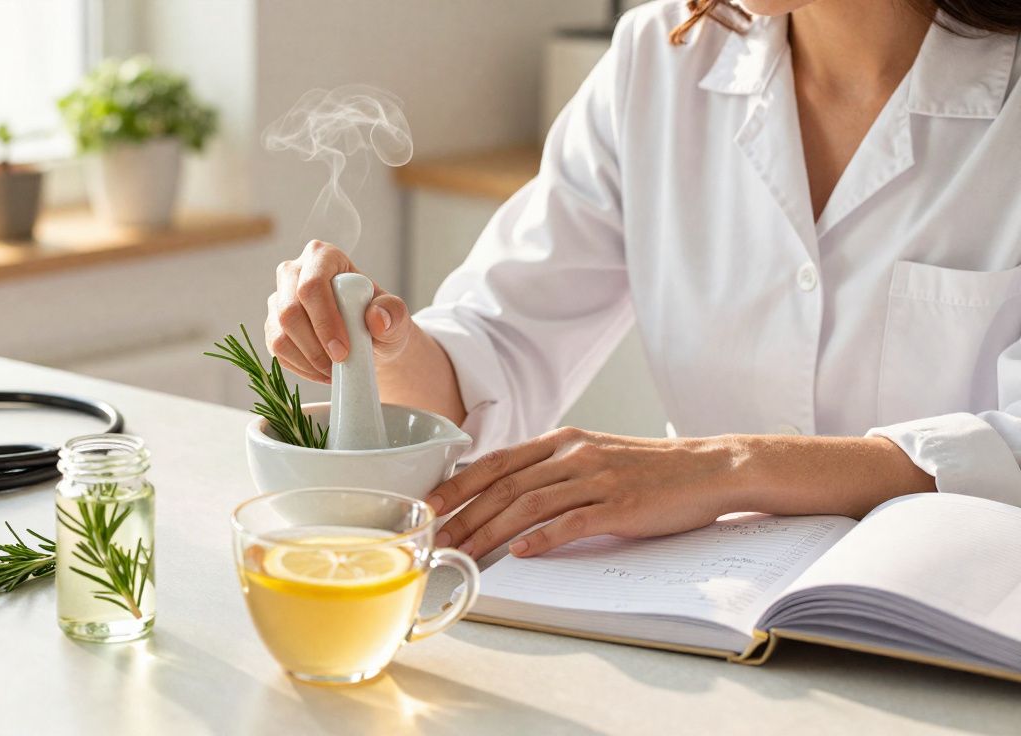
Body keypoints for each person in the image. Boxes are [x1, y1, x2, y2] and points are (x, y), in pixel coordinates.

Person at [264, 0, 1021, 561]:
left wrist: (728, 468)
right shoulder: (659, 60)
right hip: (709, 618)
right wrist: (384, 349)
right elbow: (501, 340)